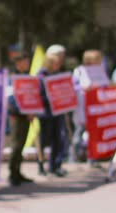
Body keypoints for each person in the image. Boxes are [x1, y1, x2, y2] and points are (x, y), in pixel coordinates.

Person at [37, 49, 68, 177]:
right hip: (45, 113)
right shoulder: (41, 76)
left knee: (57, 139)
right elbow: (39, 94)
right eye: (55, 63)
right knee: (44, 140)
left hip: (57, 112)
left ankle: (54, 165)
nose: (58, 65)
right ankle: (40, 164)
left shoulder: (57, 75)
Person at [7, 52, 34, 186]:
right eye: (25, 61)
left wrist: (33, 110)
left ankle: (18, 171)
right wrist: (23, 110)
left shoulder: (27, 77)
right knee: (16, 145)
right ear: (18, 63)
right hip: (17, 116)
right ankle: (12, 173)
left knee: (22, 144)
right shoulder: (12, 78)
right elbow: (11, 99)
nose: (27, 64)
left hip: (27, 116)